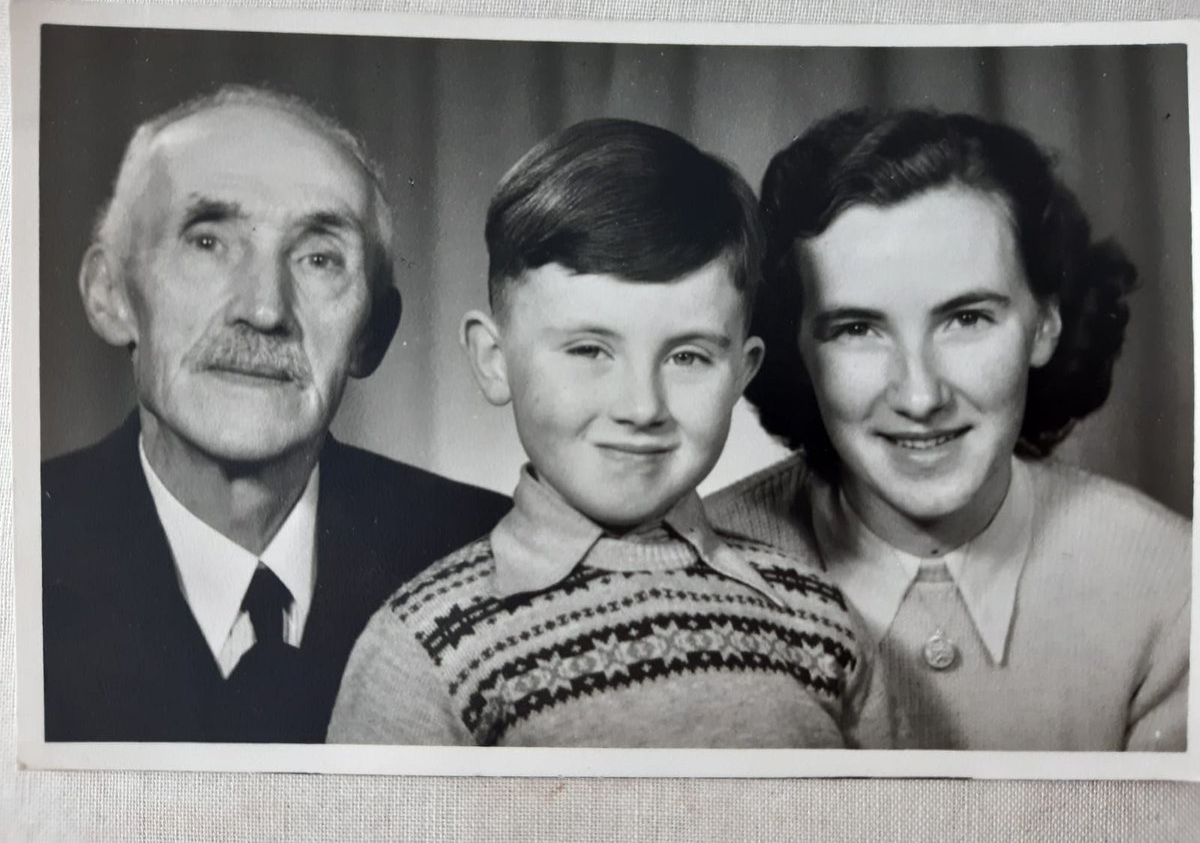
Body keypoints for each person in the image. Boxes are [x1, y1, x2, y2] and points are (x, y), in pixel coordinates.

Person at [327, 118, 892, 748]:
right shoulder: (424, 650)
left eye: (687, 358)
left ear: (742, 372)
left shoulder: (821, 623)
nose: (641, 406)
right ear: (493, 360)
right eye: (591, 350)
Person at [706, 107, 1191, 751]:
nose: (920, 394)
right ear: (795, 348)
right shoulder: (701, 576)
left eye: (965, 318)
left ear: (1045, 322)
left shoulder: (1173, 584)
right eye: (857, 329)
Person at [41, 85, 510, 743]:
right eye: (208, 241)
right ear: (111, 295)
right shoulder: (21, 548)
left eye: (319, 258)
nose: (264, 308)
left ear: (372, 332)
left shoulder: (491, 561)